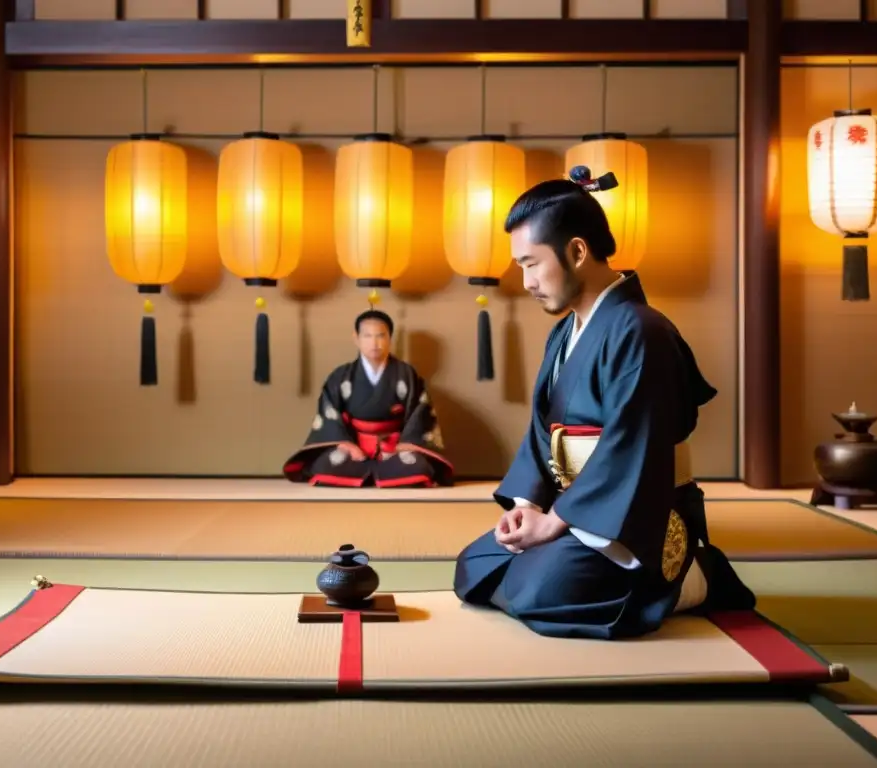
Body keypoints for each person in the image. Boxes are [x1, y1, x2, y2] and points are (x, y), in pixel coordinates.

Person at [453, 172, 756, 640]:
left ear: (577, 251)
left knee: (537, 592)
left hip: (637, 518)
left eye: (532, 264)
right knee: (474, 564)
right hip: (580, 508)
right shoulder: (565, 332)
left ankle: (689, 577)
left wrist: (552, 524)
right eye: (521, 267)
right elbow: (542, 433)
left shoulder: (643, 333)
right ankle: (565, 562)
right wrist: (526, 506)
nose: (527, 282)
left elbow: (629, 448)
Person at [283, 309, 454, 488]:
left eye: (381, 336)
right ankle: (365, 465)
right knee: (326, 464)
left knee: (417, 466)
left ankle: (388, 465)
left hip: (394, 447)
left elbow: (420, 412)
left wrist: (405, 444)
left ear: (389, 338)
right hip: (355, 446)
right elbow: (329, 413)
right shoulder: (341, 376)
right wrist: (346, 444)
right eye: (367, 336)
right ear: (356, 338)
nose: (374, 342)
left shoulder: (406, 374)